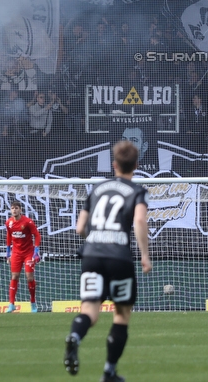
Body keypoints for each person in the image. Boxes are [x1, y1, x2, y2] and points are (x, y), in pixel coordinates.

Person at [64, 140, 151, 382]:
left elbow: (80, 227)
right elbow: (140, 222)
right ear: (136, 165)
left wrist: (94, 238)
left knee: (90, 311)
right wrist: (145, 255)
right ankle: (109, 372)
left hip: (91, 256)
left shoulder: (97, 190)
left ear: (114, 165)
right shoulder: (137, 191)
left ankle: (75, 337)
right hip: (119, 258)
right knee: (121, 315)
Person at [5, 199, 42, 313]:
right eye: (12, 208)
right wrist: (8, 253)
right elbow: (9, 237)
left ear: (20, 210)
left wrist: (36, 252)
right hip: (16, 253)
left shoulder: (27, 222)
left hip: (28, 253)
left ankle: (33, 303)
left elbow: (37, 235)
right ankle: (11, 304)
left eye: (16, 208)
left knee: (29, 278)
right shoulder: (9, 223)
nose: (14, 210)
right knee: (14, 276)